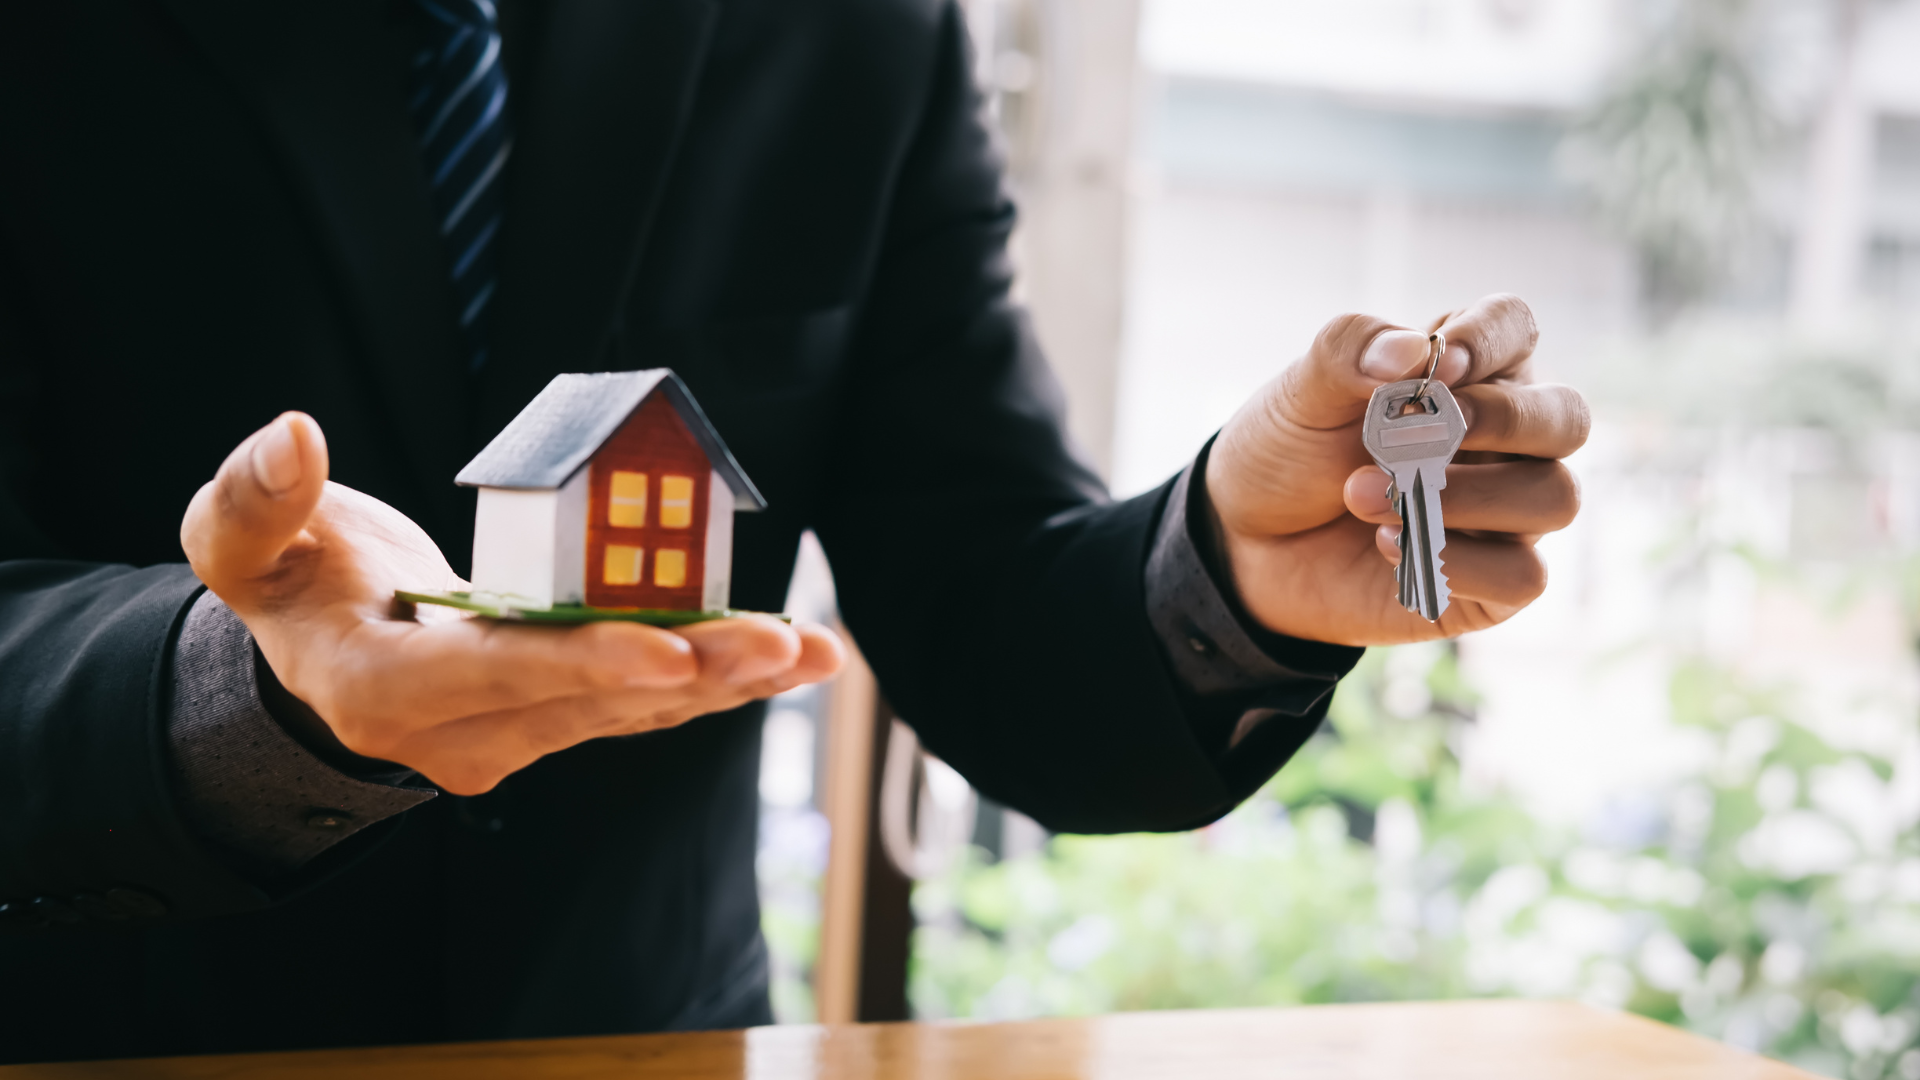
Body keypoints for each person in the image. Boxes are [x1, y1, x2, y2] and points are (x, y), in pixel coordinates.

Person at [0, 0, 1587, 1064]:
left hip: (657, 1038)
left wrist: (1235, 570)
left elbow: (988, 593)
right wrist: (233, 686)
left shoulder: (850, 25)